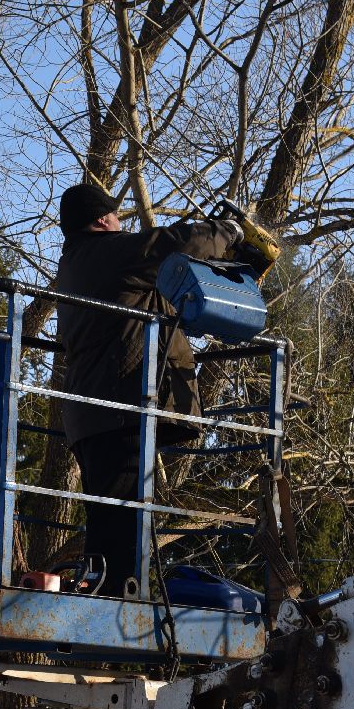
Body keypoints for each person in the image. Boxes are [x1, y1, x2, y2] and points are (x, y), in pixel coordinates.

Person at [52, 182, 248, 597]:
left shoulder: (75, 264)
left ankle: (103, 588)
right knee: (123, 522)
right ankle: (118, 599)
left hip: (93, 411)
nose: (121, 222)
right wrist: (229, 232)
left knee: (108, 520)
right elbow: (176, 243)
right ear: (103, 220)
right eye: (116, 217)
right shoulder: (111, 254)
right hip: (120, 404)